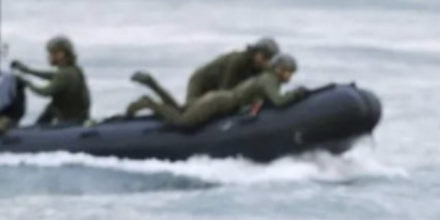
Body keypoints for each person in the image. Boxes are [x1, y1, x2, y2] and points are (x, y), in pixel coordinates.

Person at [124, 53, 306, 129]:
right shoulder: (269, 80)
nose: (289, 77)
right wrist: (296, 94)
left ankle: (152, 84)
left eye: (291, 73)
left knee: (182, 109)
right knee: (183, 122)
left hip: (221, 99)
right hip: (220, 102)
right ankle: (148, 103)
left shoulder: (267, 78)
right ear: (278, 69)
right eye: (287, 72)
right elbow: (279, 100)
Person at [129, 37, 280, 112]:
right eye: (263, 56)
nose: (265, 61)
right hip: (202, 82)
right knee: (185, 112)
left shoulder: (259, 68)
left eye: (268, 59)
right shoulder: (237, 61)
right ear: (255, 52)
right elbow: (225, 90)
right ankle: (151, 86)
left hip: (216, 88)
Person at [11, 35, 91, 126]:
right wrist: (26, 70)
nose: (49, 57)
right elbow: (51, 75)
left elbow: (45, 92)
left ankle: (36, 129)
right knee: (51, 108)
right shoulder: (73, 69)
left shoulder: (66, 74)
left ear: (61, 54)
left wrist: (27, 83)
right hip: (78, 118)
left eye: (52, 53)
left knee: (52, 107)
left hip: (71, 121)